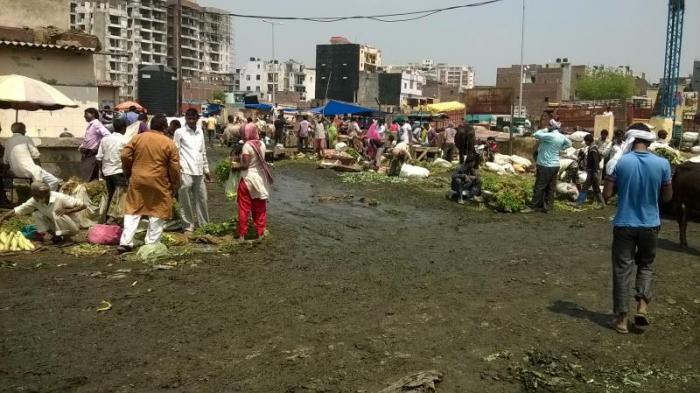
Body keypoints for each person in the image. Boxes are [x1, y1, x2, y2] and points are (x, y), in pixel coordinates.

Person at [603, 123, 673, 334]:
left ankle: (622, 319)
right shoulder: (663, 163)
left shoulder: (620, 162)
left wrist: (616, 185)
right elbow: (668, 197)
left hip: (624, 223)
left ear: (631, 140)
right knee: (646, 265)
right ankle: (642, 307)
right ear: (650, 140)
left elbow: (607, 195)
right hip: (651, 225)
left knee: (622, 270)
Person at [118, 115, 181, 253]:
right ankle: (152, 243)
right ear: (164, 127)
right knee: (158, 210)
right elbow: (174, 167)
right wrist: (175, 183)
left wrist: (128, 169)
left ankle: (125, 242)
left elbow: (124, 155)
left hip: (138, 178)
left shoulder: (138, 138)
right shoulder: (168, 143)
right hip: (159, 181)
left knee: (133, 209)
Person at [0, 181, 85, 245]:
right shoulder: (36, 200)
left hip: (72, 226)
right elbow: (19, 209)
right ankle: (57, 236)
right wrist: (3, 217)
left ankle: (67, 239)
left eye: (37, 195)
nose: (35, 197)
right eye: (34, 195)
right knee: (36, 214)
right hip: (58, 225)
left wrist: (67, 210)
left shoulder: (60, 197)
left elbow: (83, 205)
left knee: (56, 213)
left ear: (46, 193)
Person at [234, 121, 273, 241]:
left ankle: (242, 235)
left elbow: (245, 165)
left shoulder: (247, 145)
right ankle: (260, 233)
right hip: (260, 180)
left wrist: (235, 167)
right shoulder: (262, 144)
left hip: (247, 179)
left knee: (244, 208)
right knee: (260, 208)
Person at [175, 108, 212, 233]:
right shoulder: (179, 132)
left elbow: (203, 152)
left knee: (202, 198)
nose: (191, 121)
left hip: (199, 169)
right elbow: (175, 151)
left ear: (197, 119)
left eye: (193, 118)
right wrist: (177, 168)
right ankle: (188, 225)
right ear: (186, 119)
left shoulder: (200, 132)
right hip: (185, 169)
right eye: (189, 118)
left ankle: (204, 225)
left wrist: (206, 169)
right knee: (185, 198)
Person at [524, 117, 572, 213]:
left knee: (539, 186)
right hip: (555, 165)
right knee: (550, 187)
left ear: (551, 127)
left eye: (549, 126)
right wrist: (561, 147)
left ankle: (533, 207)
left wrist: (545, 129)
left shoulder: (550, 136)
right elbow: (569, 144)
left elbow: (536, 134)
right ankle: (548, 207)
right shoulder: (561, 137)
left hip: (545, 165)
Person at [3, 122, 61, 190]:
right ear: (21, 130)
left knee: (40, 182)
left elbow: (5, 161)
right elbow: (35, 156)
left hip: (16, 173)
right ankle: (45, 198)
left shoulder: (8, 142)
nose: (25, 131)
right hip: (29, 171)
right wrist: (39, 170)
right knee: (54, 181)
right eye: (24, 129)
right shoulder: (26, 138)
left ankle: (41, 196)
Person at [96, 117, 128, 220]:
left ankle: (108, 218)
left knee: (111, 195)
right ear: (124, 128)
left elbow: (99, 157)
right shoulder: (124, 140)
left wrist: (101, 172)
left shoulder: (105, 139)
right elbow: (127, 157)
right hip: (119, 171)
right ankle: (117, 219)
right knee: (121, 197)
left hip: (107, 172)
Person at [80, 107, 111, 182]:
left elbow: (107, 135)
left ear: (93, 114)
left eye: (86, 114)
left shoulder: (96, 124)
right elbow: (89, 138)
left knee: (90, 178)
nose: (84, 116)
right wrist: (81, 146)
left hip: (92, 154)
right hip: (87, 154)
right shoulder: (91, 125)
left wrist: (98, 146)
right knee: (88, 176)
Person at [576, 133, 604, 207]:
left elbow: (595, 161)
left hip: (592, 172)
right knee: (596, 188)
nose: (585, 143)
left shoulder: (592, 150)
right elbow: (600, 158)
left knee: (585, 187)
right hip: (593, 171)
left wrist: (595, 171)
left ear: (588, 141)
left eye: (585, 141)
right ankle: (602, 203)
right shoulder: (594, 148)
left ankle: (579, 203)